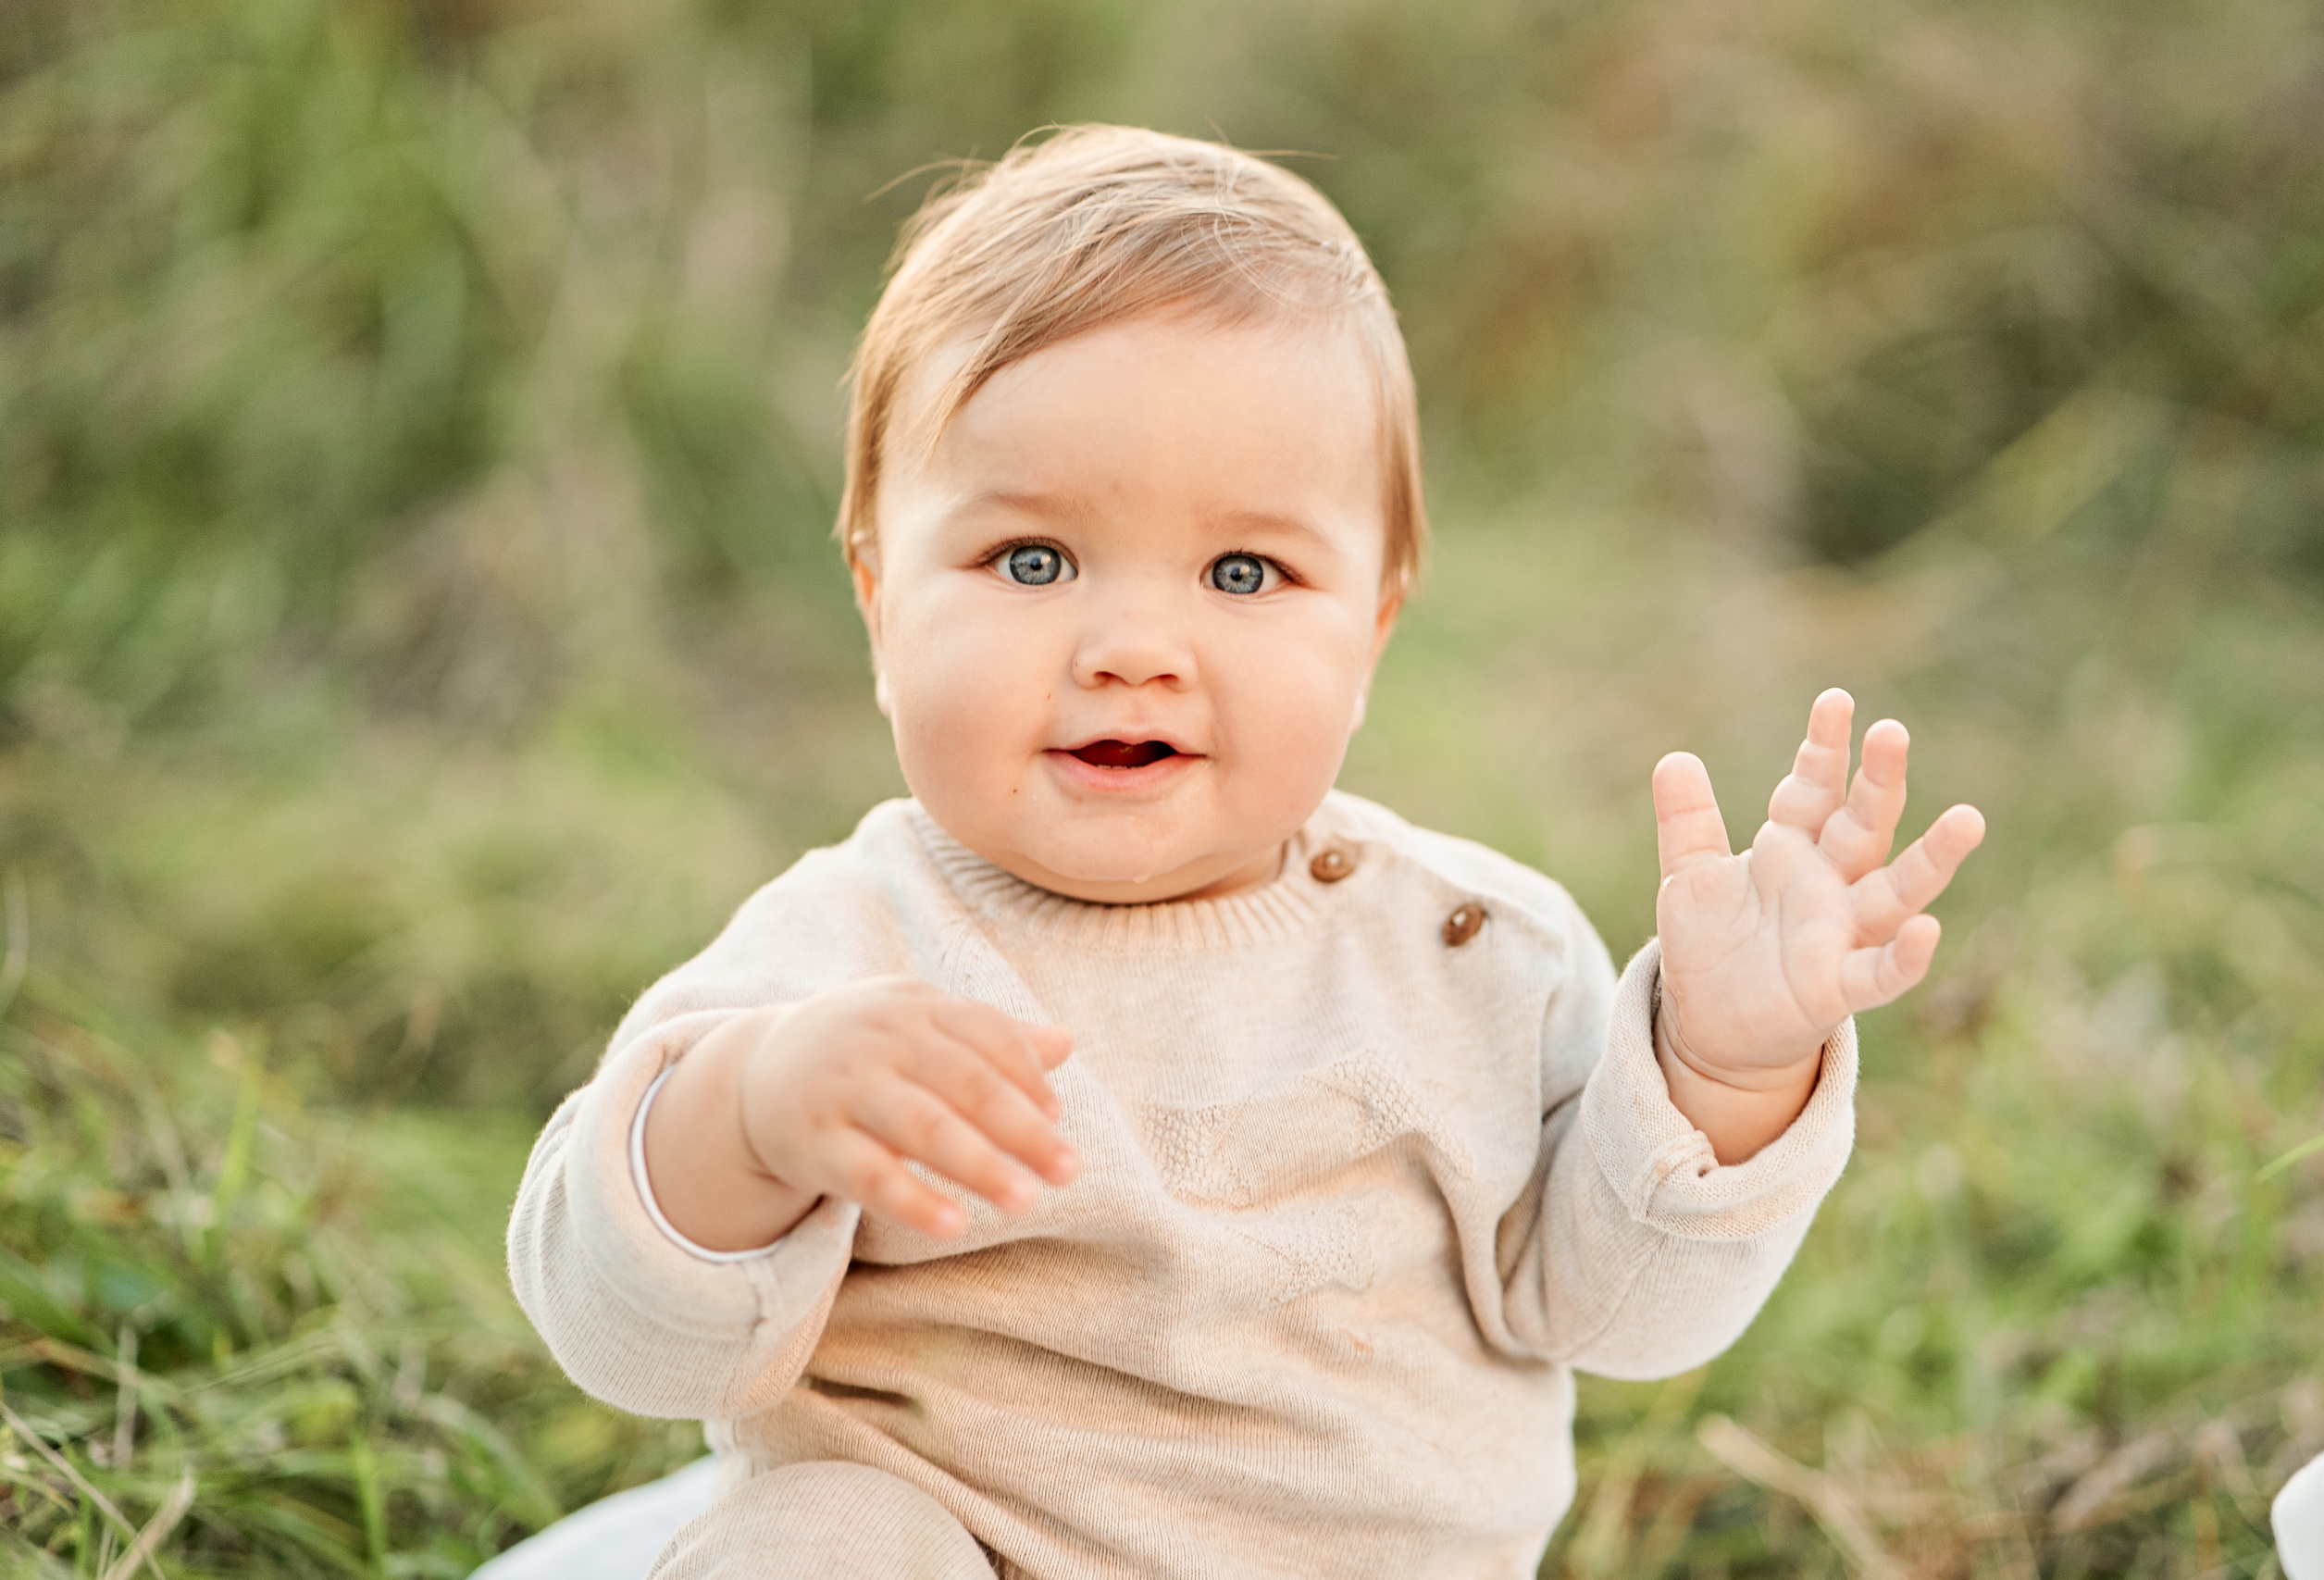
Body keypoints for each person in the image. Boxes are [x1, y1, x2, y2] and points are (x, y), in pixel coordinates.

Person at [499, 125, 1986, 1579]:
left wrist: (1725, 1069)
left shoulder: (1471, 956)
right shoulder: (846, 956)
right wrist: (747, 1123)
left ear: (1373, 627)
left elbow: (1624, 1319)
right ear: (884, 604)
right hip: (953, 1543)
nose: (1135, 647)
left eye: (1242, 571)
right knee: (818, 1540)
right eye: (1032, 560)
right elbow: (622, 1335)